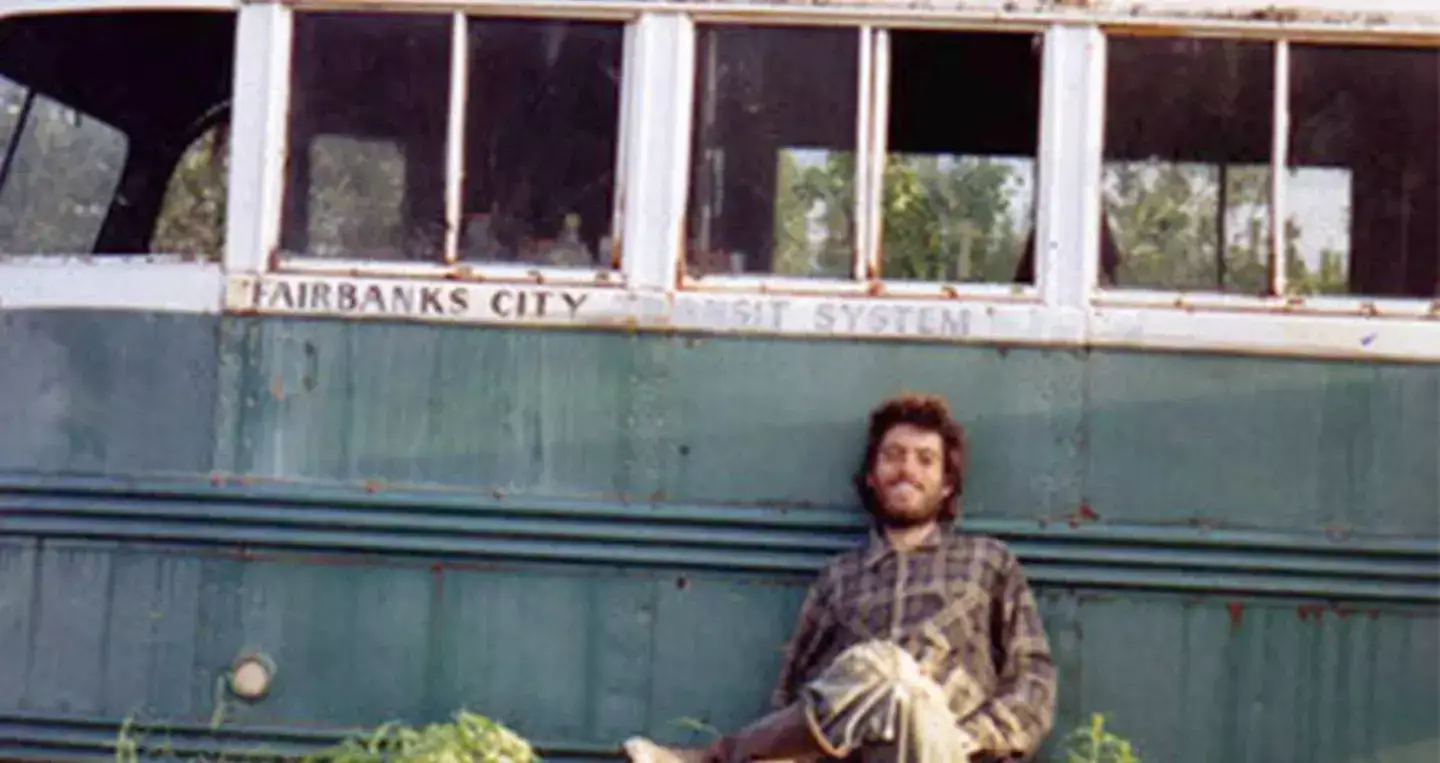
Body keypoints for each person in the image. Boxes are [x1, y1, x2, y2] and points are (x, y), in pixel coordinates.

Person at [625, 393, 1057, 763]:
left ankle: (717, 759)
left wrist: (968, 738)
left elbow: (1033, 683)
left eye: (925, 460)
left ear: (946, 485)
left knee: (894, 672)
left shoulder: (988, 561)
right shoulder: (838, 578)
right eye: (893, 456)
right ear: (872, 477)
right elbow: (795, 700)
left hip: (951, 750)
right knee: (886, 674)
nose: (907, 468)